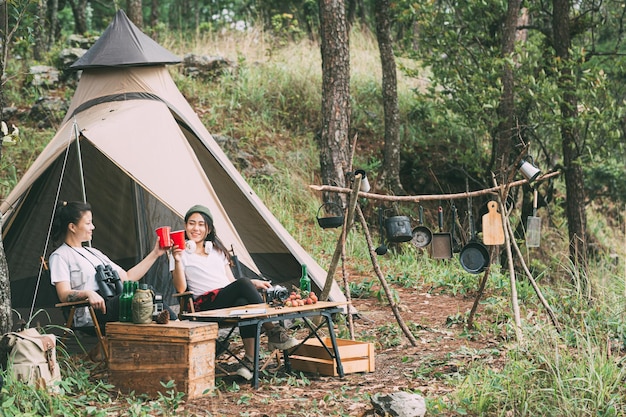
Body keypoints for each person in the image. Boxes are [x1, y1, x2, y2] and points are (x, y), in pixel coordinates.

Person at [171, 204, 299, 380]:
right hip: (205, 306)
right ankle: (273, 330)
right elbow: (180, 288)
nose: (196, 228)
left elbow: (230, 282)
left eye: (201, 224)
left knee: (243, 304)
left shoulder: (216, 251)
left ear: (208, 229)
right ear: (185, 227)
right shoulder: (180, 253)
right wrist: (177, 260)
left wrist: (251, 283)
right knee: (243, 287)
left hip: (226, 299)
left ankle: (249, 361)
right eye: (191, 223)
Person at [49, 201, 176, 331]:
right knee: (144, 296)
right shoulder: (60, 256)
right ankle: (176, 326)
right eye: (88, 223)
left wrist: (155, 253)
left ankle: (174, 326)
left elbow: (127, 277)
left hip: (114, 302)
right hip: (93, 311)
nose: (93, 227)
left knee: (149, 292)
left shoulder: (94, 252)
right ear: (72, 227)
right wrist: (88, 293)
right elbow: (63, 294)